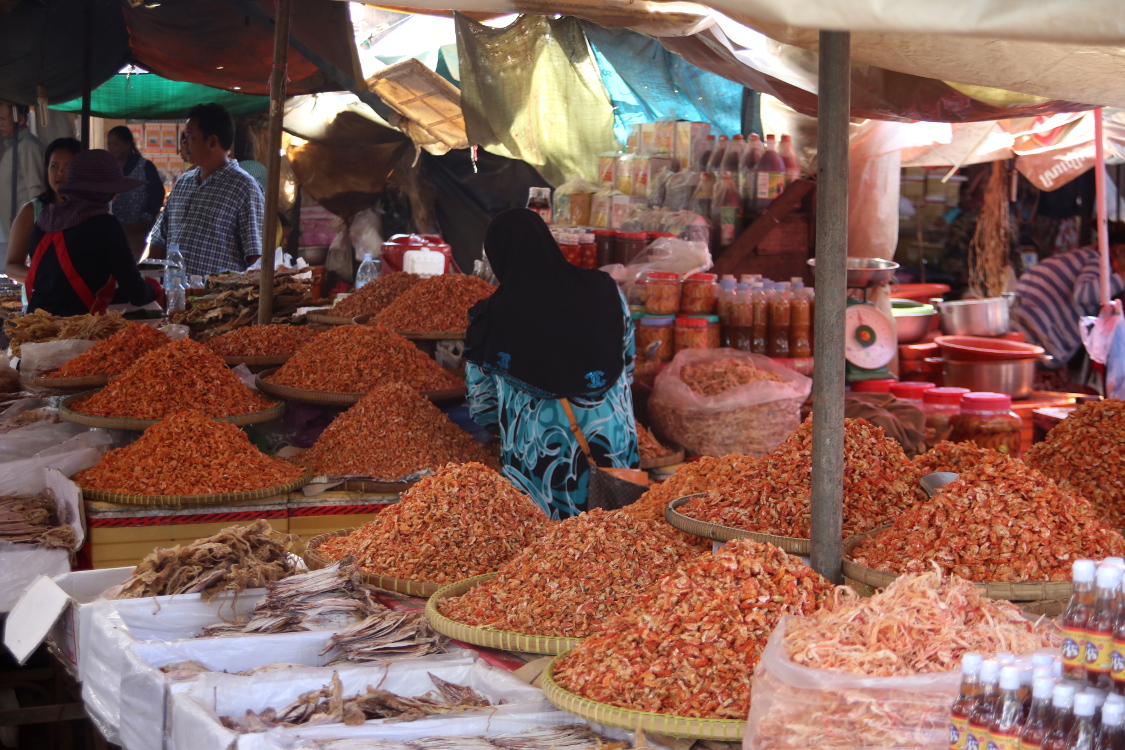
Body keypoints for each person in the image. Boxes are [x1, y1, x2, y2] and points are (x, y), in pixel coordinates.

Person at [464, 208, 639, 519]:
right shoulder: (605, 290)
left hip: (539, 459)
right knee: (618, 546)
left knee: (552, 557)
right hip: (612, 443)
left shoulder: (490, 317)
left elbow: (483, 408)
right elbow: (626, 362)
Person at [26, 149, 162, 316]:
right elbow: (136, 292)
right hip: (76, 332)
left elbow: (59, 288)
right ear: (104, 192)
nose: (115, 197)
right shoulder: (105, 225)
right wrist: (154, 288)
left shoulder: (44, 219)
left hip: (33, 325)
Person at [147, 103, 264, 276]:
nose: (184, 144)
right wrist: (150, 282)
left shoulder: (244, 187)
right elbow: (159, 240)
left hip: (218, 299)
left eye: (190, 137)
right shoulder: (183, 183)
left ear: (212, 141)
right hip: (175, 295)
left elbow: (256, 258)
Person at [1011, 238, 1125, 378]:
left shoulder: (1083, 256)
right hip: (1036, 337)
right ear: (1119, 250)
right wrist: (1122, 278)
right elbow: (1084, 294)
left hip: (1024, 331)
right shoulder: (1098, 258)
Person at [5, 137, 82, 284]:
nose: (60, 173)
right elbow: (11, 266)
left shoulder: (93, 212)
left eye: (68, 167)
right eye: (54, 166)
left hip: (83, 301)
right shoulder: (31, 211)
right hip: (38, 302)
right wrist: (45, 279)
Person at [105, 125, 165, 260]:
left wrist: (145, 220)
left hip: (139, 230)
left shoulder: (145, 167)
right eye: (109, 144)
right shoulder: (107, 169)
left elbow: (157, 194)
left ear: (127, 145)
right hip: (114, 231)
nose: (111, 148)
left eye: (116, 144)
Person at [0, 103, 45, 252]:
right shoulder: (11, 147)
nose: (0, 124)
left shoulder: (28, 146)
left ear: (19, 119)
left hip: (22, 235)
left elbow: (36, 190)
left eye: (2, 119)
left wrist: (33, 230)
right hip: (8, 234)